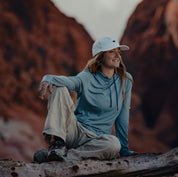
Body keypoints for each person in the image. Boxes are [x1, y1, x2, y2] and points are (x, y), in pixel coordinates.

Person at [35, 37, 136, 162]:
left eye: (118, 52)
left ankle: (64, 157)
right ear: (100, 56)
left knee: (114, 144)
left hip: (97, 140)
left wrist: (124, 149)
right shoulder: (86, 77)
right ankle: (58, 146)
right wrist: (48, 78)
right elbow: (70, 81)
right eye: (111, 52)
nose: (117, 56)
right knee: (59, 88)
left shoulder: (125, 80)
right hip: (75, 132)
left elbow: (123, 117)